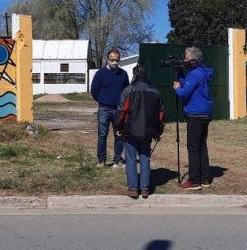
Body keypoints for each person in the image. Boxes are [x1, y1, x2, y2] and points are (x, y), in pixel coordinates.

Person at [114, 65, 165, 199]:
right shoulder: (155, 91)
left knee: (130, 160)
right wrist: (158, 131)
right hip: (148, 131)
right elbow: (161, 115)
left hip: (130, 131)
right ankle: (145, 189)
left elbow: (121, 111)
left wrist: (118, 127)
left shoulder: (128, 90)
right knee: (145, 159)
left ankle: (133, 189)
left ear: (134, 75)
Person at [173, 46, 213, 191]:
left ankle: (194, 181)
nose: (184, 60)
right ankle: (205, 179)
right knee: (202, 146)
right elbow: (189, 86)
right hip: (204, 113)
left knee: (193, 148)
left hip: (195, 114)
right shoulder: (201, 72)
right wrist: (180, 74)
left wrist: (177, 88)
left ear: (193, 59)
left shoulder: (195, 73)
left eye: (186, 57)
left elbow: (184, 93)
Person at [90, 49, 130, 168]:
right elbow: (94, 91)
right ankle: (101, 159)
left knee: (119, 135)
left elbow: (126, 91)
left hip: (119, 110)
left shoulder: (123, 74)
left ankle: (118, 160)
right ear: (107, 60)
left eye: (117, 60)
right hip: (104, 109)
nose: (115, 62)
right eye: (112, 60)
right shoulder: (100, 74)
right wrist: (102, 101)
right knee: (102, 135)